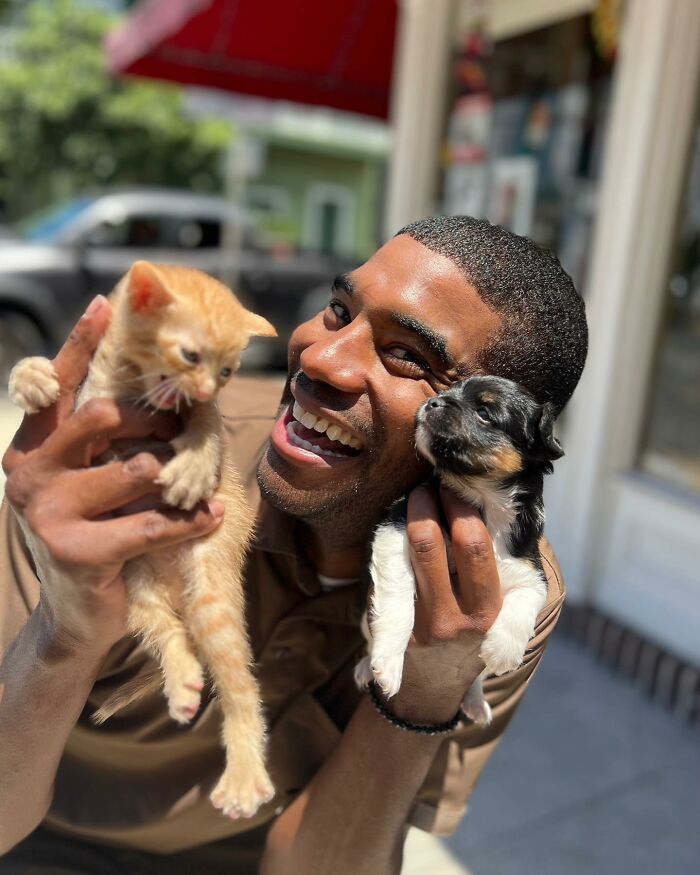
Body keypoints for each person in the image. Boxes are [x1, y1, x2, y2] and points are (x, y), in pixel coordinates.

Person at [0, 216, 587, 874]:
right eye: (339, 311)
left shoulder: (501, 599)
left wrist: (426, 691)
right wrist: (67, 627)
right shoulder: (139, 461)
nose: (318, 355)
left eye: (407, 357)